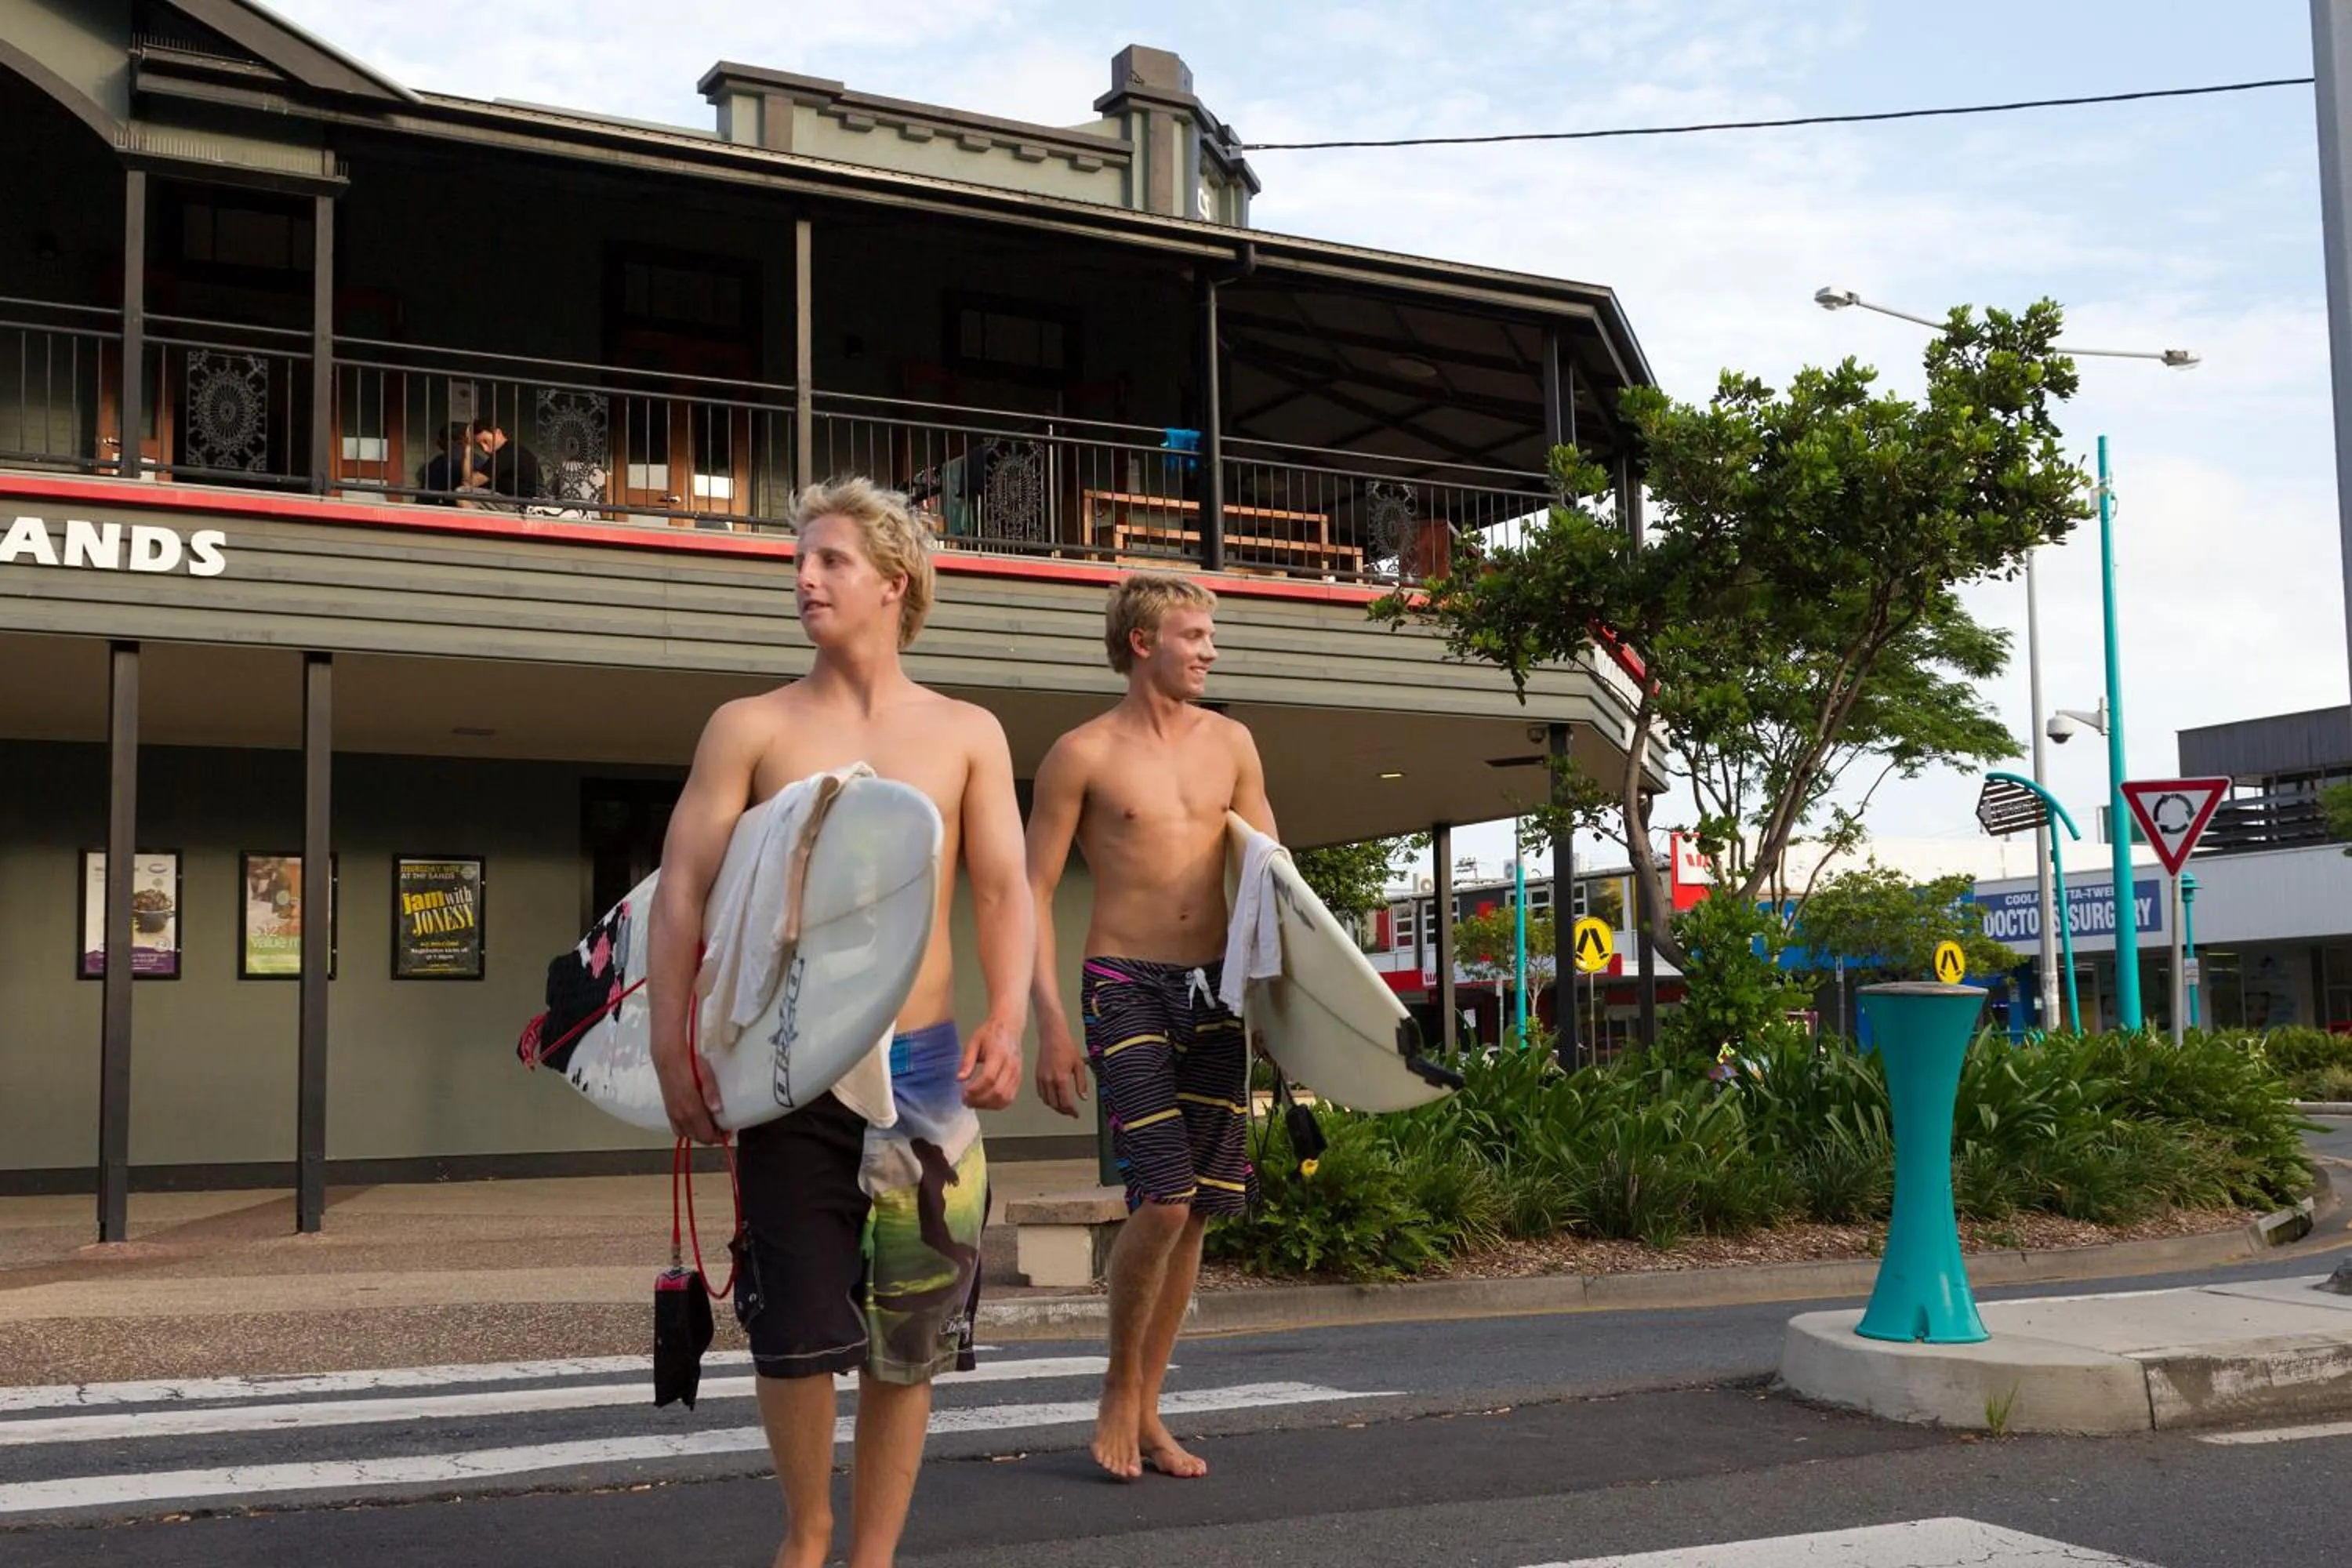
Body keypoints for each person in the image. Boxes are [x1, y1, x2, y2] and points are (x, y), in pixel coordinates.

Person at [648, 477, 1032, 1568]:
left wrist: (1006, 1014)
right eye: (799, 562)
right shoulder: (753, 727)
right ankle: (808, 1535)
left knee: (907, 1338)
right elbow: (683, 889)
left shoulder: (966, 733)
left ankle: (873, 1556)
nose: (805, 579)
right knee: (795, 1332)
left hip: (926, 1072)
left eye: (830, 562)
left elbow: (1003, 887)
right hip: (788, 1068)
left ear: (892, 585)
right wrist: (679, 1042)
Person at [1024, 572, 1277, 1482]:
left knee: (1200, 1207)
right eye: (1193, 633)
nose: (1209, 649)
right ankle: (1117, 1389)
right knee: (1162, 1195)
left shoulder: (1235, 744)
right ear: (1142, 642)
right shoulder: (1080, 753)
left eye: (1212, 635)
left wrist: (1288, 1014)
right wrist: (1049, 1021)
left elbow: (1267, 887)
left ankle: (1151, 1407)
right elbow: (1030, 894)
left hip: (1217, 989)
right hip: (1121, 981)